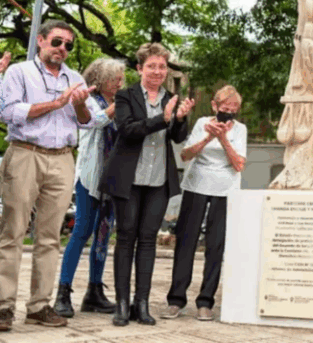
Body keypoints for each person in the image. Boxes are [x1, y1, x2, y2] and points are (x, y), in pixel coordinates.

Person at [0, 20, 97, 332]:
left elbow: (87, 121)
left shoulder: (75, 78)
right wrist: (57, 102)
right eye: (57, 42)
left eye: (68, 45)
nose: (62, 49)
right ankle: (3, 309)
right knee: (13, 233)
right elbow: (9, 112)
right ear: (40, 41)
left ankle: (39, 306)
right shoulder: (19, 73)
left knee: (50, 238)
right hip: (25, 154)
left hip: (62, 158)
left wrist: (77, 106)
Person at [100, 43, 194, 327]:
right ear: (140, 68)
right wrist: (162, 118)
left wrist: (178, 119)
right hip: (128, 178)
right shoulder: (126, 95)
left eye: (162, 66)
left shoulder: (172, 98)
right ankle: (122, 304)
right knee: (126, 237)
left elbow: (178, 138)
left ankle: (142, 304)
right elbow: (127, 130)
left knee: (149, 241)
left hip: (158, 180)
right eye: (152, 66)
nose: (158, 71)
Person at [162, 85, 247, 322]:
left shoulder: (240, 130)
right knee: (186, 243)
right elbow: (186, 155)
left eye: (233, 110)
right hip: (196, 186)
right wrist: (209, 136)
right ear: (214, 106)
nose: (228, 113)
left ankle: (205, 301)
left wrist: (223, 140)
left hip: (225, 190)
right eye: (224, 108)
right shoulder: (201, 123)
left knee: (215, 245)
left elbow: (239, 164)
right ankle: (176, 300)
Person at [54, 58, 126, 318]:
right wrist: (115, 110)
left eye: (120, 78)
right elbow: (91, 122)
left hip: (112, 180)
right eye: (114, 78)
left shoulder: (119, 103)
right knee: (82, 231)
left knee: (104, 235)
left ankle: (94, 292)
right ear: (100, 79)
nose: (119, 82)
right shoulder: (89, 101)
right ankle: (63, 291)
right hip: (89, 177)